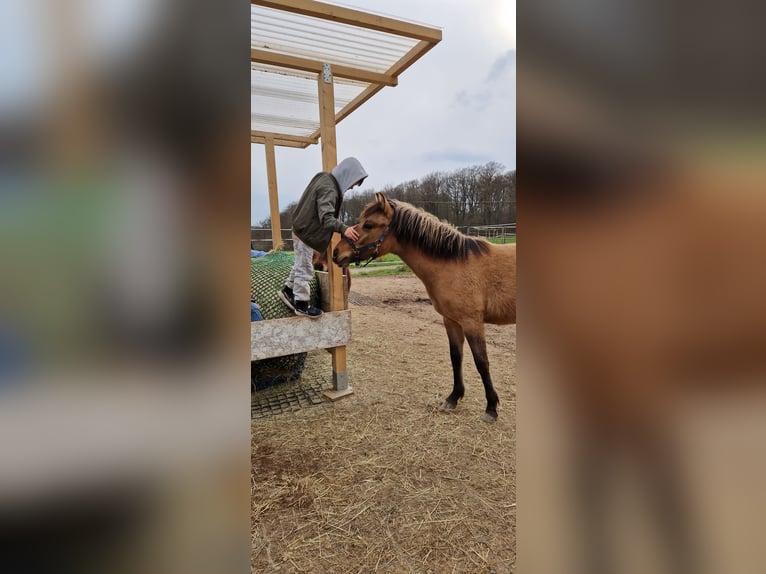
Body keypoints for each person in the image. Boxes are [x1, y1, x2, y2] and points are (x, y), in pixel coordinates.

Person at [278, 157, 367, 318]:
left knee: (301, 264)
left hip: (302, 228)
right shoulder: (330, 189)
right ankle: (301, 304)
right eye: (353, 184)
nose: (352, 188)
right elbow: (326, 218)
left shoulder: (323, 178)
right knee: (305, 268)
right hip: (307, 232)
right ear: (347, 176)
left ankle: (288, 291)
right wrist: (344, 229)